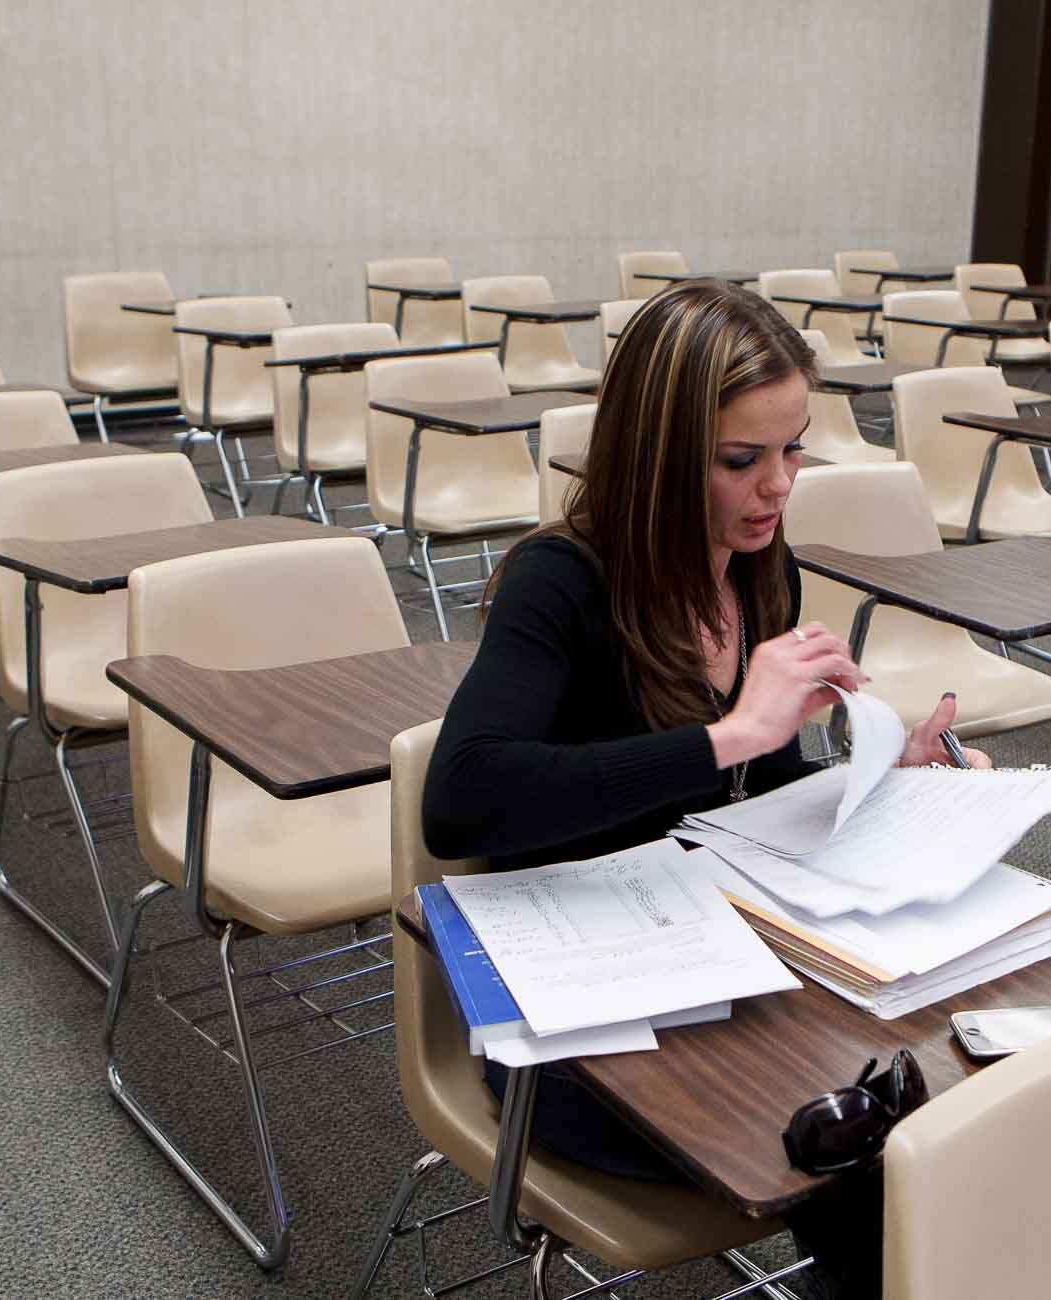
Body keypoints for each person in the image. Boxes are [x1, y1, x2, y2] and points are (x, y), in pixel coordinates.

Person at [423, 278, 987, 1299]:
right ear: (659, 456)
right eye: (741, 460)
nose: (777, 487)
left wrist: (883, 792)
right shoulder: (562, 581)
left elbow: (752, 804)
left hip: (716, 958)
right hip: (581, 1020)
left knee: (944, 1091)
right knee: (874, 1150)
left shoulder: (761, 570)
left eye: (792, 448)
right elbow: (461, 797)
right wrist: (723, 732)